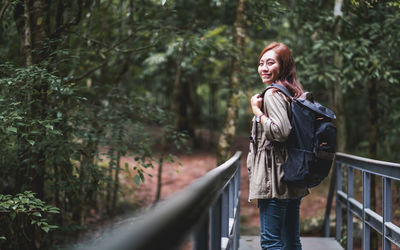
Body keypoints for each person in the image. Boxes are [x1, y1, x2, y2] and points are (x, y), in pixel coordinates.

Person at [247, 42, 309, 250]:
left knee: (271, 242)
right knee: (291, 240)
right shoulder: (292, 92)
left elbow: (281, 132)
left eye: (270, 63)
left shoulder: (273, 94)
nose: (264, 68)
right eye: (261, 63)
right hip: (292, 176)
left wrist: (257, 112)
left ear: (283, 65)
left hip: (274, 180)